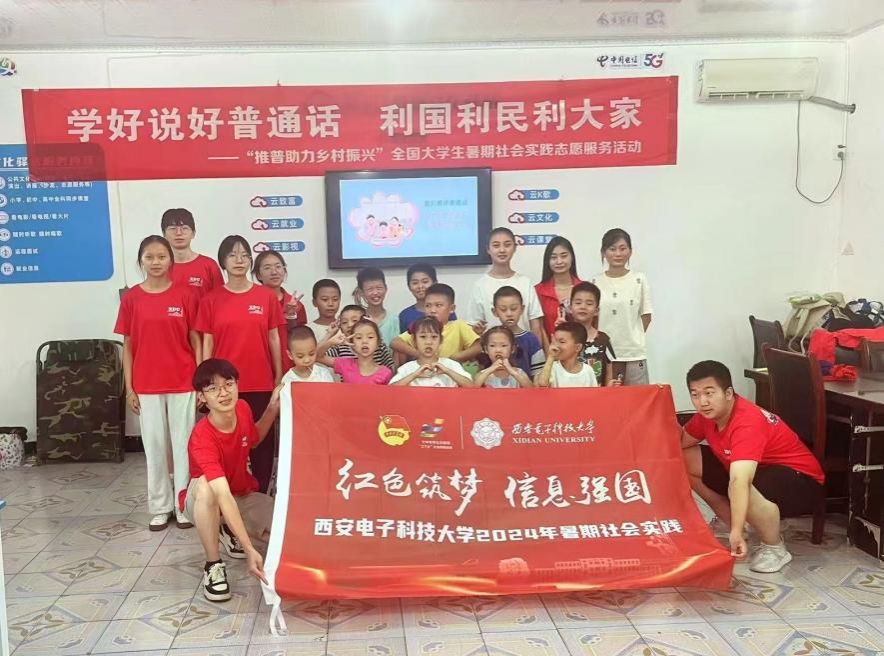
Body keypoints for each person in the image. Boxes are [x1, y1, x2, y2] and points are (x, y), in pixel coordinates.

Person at [681, 361, 825, 573]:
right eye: (695, 395)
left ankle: (774, 547)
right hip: (760, 472)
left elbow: (740, 481)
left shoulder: (747, 422)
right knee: (683, 458)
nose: (702, 402)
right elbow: (679, 443)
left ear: (728, 393)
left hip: (801, 481)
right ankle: (734, 522)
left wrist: (736, 532)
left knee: (739, 484)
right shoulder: (707, 416)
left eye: (709, 393)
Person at [115, 235, 201, 531]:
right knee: (154, 447)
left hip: (183, 380)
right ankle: (161, 506)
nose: (155, 262)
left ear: (170, 260)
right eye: (149, 257)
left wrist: (199, 381)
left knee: (183, 445)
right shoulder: (132, 298)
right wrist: (130, 388)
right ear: (141, 261)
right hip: (146, 383)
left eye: (161, 257)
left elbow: (195, 339)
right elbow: (128, 346)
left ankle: (183, 505)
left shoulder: (186, 295)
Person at [179, 359, 279, 602]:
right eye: (213, 388)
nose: (223, 393)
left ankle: (225, 527)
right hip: (203, 499)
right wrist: (249, 549)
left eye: (228, 384)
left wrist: (272, 407)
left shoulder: (242, 408)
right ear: (201, 397)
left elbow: (253, 439)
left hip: (240, 493)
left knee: (284, 528)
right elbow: (222, 494)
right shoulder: (202, 437)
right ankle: (213, 565)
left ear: (237, 385)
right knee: (207, 488)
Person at [196, 235, 284, 494]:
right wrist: (204, 384)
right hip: (223, 385)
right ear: (222, 261)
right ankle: (228, 494)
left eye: (244, 255)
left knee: (262, 442)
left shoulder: (265, 296)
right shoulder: (211, 299)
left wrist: (278, 374)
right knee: (227, 442)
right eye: (232, 255)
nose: (239, 260)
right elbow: (208, 342)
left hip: (260, 380)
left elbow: (274, 337)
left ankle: (261, 494)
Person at [591, 228, 653, 386]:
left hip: (634, 354)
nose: (618, 254)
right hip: (604, 354)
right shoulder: (595, 282)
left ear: (630, 251)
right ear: (603, 252)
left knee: (638, 398)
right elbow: (593, 319)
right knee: (607, 399)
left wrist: (632, 336)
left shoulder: (639, 279)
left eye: (622, 248)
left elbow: (646, 316)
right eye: (612, 249)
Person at [467, 227, 544, 343]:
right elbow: (473, 328)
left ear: (514, 248)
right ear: (488, 249)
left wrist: (536, 350)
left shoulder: (525, 282)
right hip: (493, 350)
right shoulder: (480, 285)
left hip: (524, 350)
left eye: (507, 245)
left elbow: (536, 325)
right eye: (496, 245)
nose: (502, 250)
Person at [392, 283, 481, 363]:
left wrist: (456, 357)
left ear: (451, 309)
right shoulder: (421, 327)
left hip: (451, 372)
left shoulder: (459, 325)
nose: (432, 310)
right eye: (428, 306)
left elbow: (478, 347)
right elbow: (395, 342)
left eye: (438, 305)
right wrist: (419, 354)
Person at [253, 250, 307, 373]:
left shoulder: (297, 305)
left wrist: (291, 316)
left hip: (291, 369)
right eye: (267, 268)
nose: (274, 272)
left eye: (278, 266)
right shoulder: (251, 304)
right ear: (258, 275)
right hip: (259, 366)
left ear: (284, 271)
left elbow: (301, 339)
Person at [391, 317, 475, 387]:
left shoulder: (451, 365)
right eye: (423, 337)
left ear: (440, 340)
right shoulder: (406, 368)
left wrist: (447, 371)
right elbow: (390, 391)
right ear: (414, 340)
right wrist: (414, 375)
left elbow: (472, 387)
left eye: (434, 337)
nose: (429, 342)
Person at [161, 208, 223, 300]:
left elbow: (220, 300)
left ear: (193, 233)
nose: (179, 233)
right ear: (164, 234)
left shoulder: (209, 266)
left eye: (184, 228)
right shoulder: (159, 267)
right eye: (173, 228)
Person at [570, 282, 619, 387]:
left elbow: (609, 371)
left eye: (589, 304)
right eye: (578, 303)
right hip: (568, 394)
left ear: (596, 311)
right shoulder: (563, 338)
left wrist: (609, 387)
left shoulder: (603, 339)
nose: (583, 307)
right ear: (570, 308)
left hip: (597, 395)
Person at [317, 319, 393, 384]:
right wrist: (331, 342)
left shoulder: (385, 373)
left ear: (378, 342)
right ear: (352, 343)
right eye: (359, 337)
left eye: (370, 337)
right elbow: (317, 356)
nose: (364, 341)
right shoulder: (345, 364)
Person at [535, 236, 582, 342]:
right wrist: (549, 351)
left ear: (572, 257)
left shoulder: (584, 289)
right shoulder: (538, 291)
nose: (559, 261)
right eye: (553, 257)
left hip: (581, 349)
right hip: (549, 349)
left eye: (564, 256)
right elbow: (539, 328)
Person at [492, 286, 546, 378]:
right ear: (495, 312)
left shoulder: (531, 339)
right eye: (503, 309)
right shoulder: (491, 338)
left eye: (514, 308)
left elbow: (538, 373)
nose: (509, 314)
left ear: (522, 309)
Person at [320, 304, 395, 370]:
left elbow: (391, 367)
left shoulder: (378, 346)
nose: (349, 325)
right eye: (344, 322)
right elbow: (316, 355)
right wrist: (329, 334)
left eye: (354, 320)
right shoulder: (339, 348)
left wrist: (373, 328)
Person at [536, 322, 599, 388]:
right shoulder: (551, 368)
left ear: (578, 347)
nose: (556, 345)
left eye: (562, 342)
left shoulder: (588, 371)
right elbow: (542, 383)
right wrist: (551, 356)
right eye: (554, 341)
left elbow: (594, 392)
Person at [398, 263, 457, 333]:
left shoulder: (446, 311)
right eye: (415, 283)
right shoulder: (405, 315)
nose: (420, 286)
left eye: (425, 282)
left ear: (435, 283)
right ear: (409, 286)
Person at [354, 267, 399, 346]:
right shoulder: (357, 319)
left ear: (386, 288)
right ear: (361, 292)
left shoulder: (394, 319)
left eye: (379, 288)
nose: (375, 293)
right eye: (370, 289)